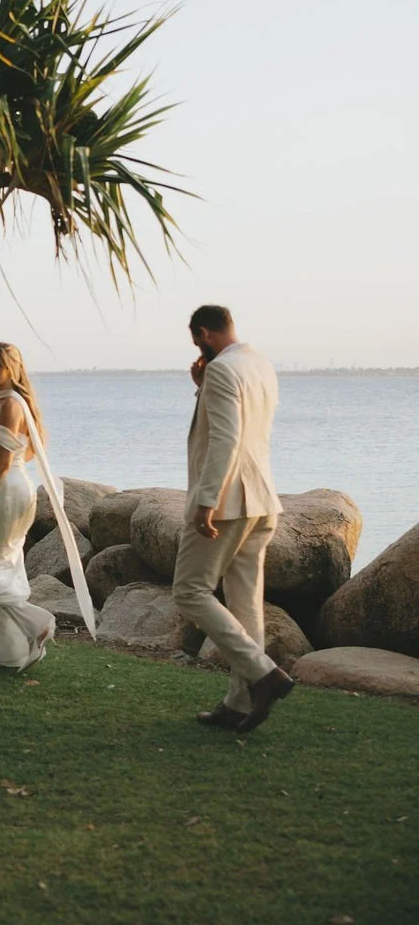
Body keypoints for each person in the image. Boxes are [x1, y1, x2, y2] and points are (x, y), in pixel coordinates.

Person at [171, 305, 294, 733]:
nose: (197, 348)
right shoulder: (259, 364)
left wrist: (206, 501)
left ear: (204, 332)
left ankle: (264, 674)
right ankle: (241, 703)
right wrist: (203, 385)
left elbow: (226, 437)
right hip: (261, 498)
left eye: (197, 340)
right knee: (245, 605)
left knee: (189, 591)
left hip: (228, 501)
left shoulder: (224, 370)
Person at [0, 341, 96, 671]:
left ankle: (37, 624)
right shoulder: (19, 403)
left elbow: (5, 462)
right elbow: (31, 450)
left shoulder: (9, 405)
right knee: (2, 564)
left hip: (5, 491)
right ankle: (10, 651)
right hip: (16, 489)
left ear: (13, 369)